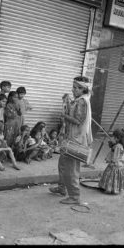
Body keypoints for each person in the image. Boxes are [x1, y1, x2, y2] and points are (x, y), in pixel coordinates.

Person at [49, 76, 93, 205]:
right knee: (63, 164)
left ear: (82, 89)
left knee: (72, 168)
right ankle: (62, 187)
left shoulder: (82, 101)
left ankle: (74, 196)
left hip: (75, 139)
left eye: (75, 88)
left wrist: (64, 116)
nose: (73, 90)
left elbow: (78, 120)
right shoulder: (79, 100)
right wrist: (67, 103)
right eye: (73, 87)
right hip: (70, 137)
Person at [98, 129, 124, 195]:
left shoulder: (118, 146)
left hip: (114, 164)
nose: (113, 138)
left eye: (114, 137)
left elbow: (115, 157)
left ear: (117, 138)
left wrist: (111, 162)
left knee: (111, 176)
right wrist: (112, 145)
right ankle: (115, 189)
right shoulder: (120, 145)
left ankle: (110, 189)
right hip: (118, 164)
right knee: (115, 177)